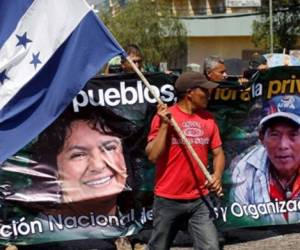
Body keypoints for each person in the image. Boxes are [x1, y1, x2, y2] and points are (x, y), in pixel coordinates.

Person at [146, 71, 225, 250]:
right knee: (158, 247)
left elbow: (218, 152)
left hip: (200, 200)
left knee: (211, 247)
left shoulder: (208, 119)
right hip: (168, 199)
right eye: (204, 90)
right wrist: (165, 125)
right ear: (190, 92)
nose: (208, 94)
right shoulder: (166, 116)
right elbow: (152, 156)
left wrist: (217, 175)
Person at [33, 105, 136, 216]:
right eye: (79, 155)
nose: (98, 165)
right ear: (52, 170)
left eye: (109, 148)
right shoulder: (34, 230)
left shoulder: (145, 224)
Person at [230, 95, 300, 224]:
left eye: (293, 135)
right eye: (274, 135)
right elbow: (241, 220)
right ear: (262, 138)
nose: (283, 145)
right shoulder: (245, 169)